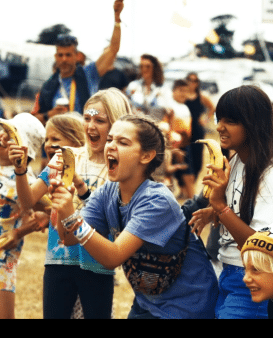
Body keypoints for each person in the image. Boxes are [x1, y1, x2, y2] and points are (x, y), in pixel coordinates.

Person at [51, 114, 219, 319]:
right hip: (148, 304)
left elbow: (113, 257)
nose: (111, 146)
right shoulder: (108, 192)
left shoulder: (157, 200)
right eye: (110, 139)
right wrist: (62, 204)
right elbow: (68, 238)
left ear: (146, 156)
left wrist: (72, 218)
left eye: (123, 142)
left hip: (189, 306)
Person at [11, 88, 132, 319]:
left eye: (100, 120)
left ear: (115, 124)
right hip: (58, 260)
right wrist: (20, 170)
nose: (91, 126)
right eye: (87, 118)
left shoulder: (117, 168)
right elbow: (27, 201)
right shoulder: (65, 157)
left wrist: (81, 193)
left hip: (97, 263)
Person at [189, 85, 273, 319]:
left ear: (253, 124)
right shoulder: (239, 161)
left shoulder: (271, 175)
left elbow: (266, 249)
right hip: (229, 274)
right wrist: (214, 212)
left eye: (230, 121)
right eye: (219, 119)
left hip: (253, 282)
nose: (220, 126)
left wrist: (221, 206)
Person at [31, 0, 125, 124]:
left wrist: (117, 19)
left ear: (77, 56)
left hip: (84, 134)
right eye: (61, 55)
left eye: (68, 55)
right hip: (59, 137)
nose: (64, 59)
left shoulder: (89, 74)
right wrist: (50, 114)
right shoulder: (48, 86)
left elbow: (113, 49)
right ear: (56, 57)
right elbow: (33, 120)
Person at [0, 113, 46, 319]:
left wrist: (19, 233)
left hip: (3, 260)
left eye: (10, 135)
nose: (2, 136)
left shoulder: (25, 179)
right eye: (4, 131)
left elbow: (48, 211)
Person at [165, 79, 194, 199]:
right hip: (175, 146)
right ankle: (192, 198)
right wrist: (173, 148)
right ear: (173, 91)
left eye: (186, 91)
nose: (183, 94)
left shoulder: (184, 107)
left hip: (185, 144)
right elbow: (167, 126)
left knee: (186, 173)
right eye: (180, 90)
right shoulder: (170, 106)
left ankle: (188, 196)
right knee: (180, 174)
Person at [185, 72, 215, 180]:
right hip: (185, 129)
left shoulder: (201, 97)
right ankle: (185, 185)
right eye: (189, 80)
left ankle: (193, 183)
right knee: (185, 157)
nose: (192, 83)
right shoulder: (183, 96)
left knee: (197, 157)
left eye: (195, 81)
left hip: (197, 129)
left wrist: (205, 119)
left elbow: (212, 108)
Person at [125, 54, 166, 121]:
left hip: (155, 125)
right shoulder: (133, 85)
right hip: (135, 123)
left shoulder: (162, 89)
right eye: (141, 66)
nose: (144, 69)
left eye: (148, 66)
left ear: (155, 68)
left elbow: (165, 110)